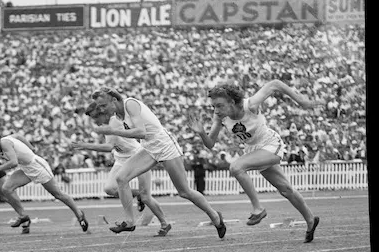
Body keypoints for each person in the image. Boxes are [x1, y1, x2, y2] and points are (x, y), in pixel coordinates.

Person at [187, 80, 320, 242]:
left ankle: (258, 208)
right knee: (286, 189)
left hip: (271, 144)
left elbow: (275, 84)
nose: (216, 110)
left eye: (220, 105)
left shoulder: (250, 104)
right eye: (213, 106)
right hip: (254, 150)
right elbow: (210, 144)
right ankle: (311, 220)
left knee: (236, 167)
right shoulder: (220, 117)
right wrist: (201, 133)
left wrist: (302, 101)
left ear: (232, 102)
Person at [88, 87, 226, 238]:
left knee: (184, 192)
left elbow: (141, 132)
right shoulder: (117, 117)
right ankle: (129, 222)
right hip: (149, 148)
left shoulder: (130, 104)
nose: (102, 110)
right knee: (121, 178)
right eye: (99, 107)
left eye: (103, 105)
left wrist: (113, 132)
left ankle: (215, 217)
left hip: (165, 145)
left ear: (114, 100)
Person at [71, 99, 172, 236]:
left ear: (103, 112)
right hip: (120, 158)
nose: (96, 122)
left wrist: (85, 145)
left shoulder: (113, 122)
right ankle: (138, 196)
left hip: (136, 155)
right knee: (110, 189)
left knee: (147, 197)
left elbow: (108, 147)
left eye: (96, 117)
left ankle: (165, 223)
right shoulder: (107, 123)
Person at [0, 133, 89, 233]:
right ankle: (23, 216)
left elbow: (13, 162)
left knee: (58, 194)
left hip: (37, 166)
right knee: (6, 188)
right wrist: (31, 147)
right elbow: (18, 136)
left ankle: (79, 214)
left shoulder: (4, 142)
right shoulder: (4, 141)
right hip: (26, 168)